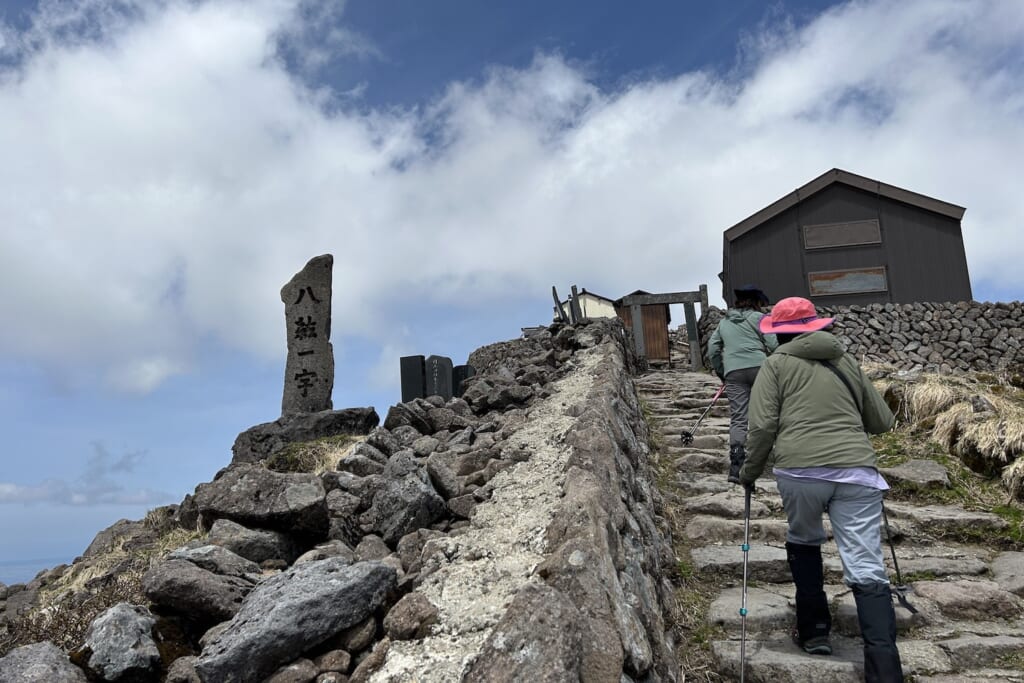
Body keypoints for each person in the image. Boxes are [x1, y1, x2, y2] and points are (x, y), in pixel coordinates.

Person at [738, 296, 903, 682]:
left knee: (804, 539)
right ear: (817, 326)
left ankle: (814, 633)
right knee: (865, 564)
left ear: (780, 334)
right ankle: (885, 668)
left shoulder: (775, 365)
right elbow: (881, 421)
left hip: (800, 471)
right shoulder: (845, 361)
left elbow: (761, 427)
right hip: (857, 471)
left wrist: (750, 471)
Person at [706, 285, 777, 484]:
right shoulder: (760, 319)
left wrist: (722, 371)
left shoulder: (724, 323)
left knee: (738, 417)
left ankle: (736, 466)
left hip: (733, 372)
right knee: (763, 413)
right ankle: (763, 459)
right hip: (760, 369)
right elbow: (773, 345)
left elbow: (713, 349)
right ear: (757, 302)